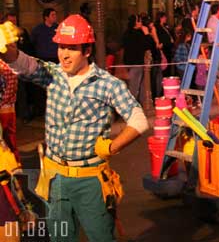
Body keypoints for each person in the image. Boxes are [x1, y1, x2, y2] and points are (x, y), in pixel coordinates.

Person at [0, 15, 149, 241]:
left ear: (87, 50)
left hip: (90, 181)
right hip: (55, 178)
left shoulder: (107, 84)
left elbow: (139, 120)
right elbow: (23, 63)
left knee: (101, 237)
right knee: (60, 237)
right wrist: (4, 48)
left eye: (71, 48)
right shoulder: (53, 75)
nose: (64, 54)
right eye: (61, 47)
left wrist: (113, 146)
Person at [122, 14, 155, 103]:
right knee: (135, 86)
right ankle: (132, 106)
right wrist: (147, 34)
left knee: (140, 86)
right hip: (137, 63)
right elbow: (148, 45)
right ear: (135, 23)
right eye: (139, 21)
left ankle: (140, 104)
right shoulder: (136, 34)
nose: (141, 23)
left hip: (134, 63)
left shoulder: (128, 33)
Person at [0, 59, 19, 162]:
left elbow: (8, 90)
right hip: (8, 108)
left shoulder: (5, 66)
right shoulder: (8, 64)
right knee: (10, 142)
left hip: (5, 110)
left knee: (8, 143)